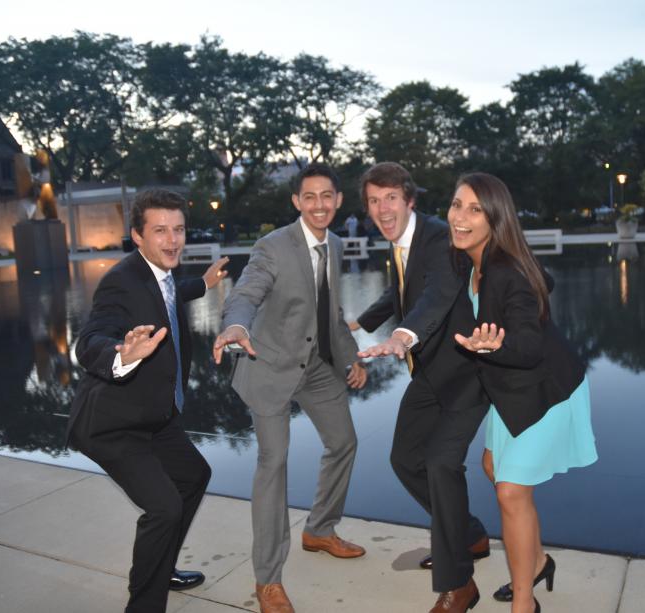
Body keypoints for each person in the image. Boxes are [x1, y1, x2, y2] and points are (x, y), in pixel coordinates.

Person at [212, 162, 368, 613]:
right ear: (296, 202)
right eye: (309, 197)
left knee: (344, 443)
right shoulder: (272, 247)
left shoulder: (335, 244)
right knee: (273, 462)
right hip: (271, 364)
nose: (319, 205)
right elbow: (246, 293)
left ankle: (319, 529)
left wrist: (351, 357)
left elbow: (332, 312)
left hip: (318, 364)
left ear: (338, 201)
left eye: (327, 197)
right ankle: (268, 580)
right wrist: (236, 325)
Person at [65, 188, 230, 613]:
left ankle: (164, 566)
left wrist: (205, 283)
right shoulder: (120, 281)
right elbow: (90, 339)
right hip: (114, 424)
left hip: (155, 416)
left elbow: (172, 292)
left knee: (193, 475)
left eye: (178, 229)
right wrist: (120, 354)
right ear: (137, 237)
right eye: (160, 231)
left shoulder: (162, 271)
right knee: (164, 507)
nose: (172, 240)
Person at [447, 173, 598, 613]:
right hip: (508, 387)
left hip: (545, 390)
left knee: (511, 491)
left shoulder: (506, 271)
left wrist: (496, 345)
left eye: (475, 210)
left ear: (496, 219)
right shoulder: (468, 259)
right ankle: (538, 561)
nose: (461, 217)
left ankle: (525, 604)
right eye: (457, 205)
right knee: (495, 469)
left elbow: (529, 347)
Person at [353, 162, 490, 612]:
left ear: (410, 200)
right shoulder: (401, 242)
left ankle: (459, 586)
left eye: (390, 197)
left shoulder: (437, 236)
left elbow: (438, 291)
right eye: (374, 200)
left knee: (439, 463)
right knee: (404, 458)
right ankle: (467, 535)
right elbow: (403, 290)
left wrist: (402, 335)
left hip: (467, 370)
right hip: (430, 370)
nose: (381, 208)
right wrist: (362, 322)